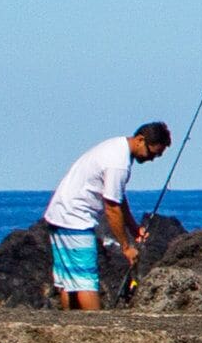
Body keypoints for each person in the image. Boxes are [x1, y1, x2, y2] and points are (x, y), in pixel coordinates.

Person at [42, 122, 170, 310]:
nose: (152, 159)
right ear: (140, 140)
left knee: (69, 282)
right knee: (86, 281)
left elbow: (117, 196)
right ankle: (95, 330)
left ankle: (71, 327)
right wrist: (126, 247)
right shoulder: (118, 164)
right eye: (152, 153)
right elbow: (111, 208)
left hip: (60, 214)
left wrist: (133, 228)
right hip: (75, 219)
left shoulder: (117, 147)